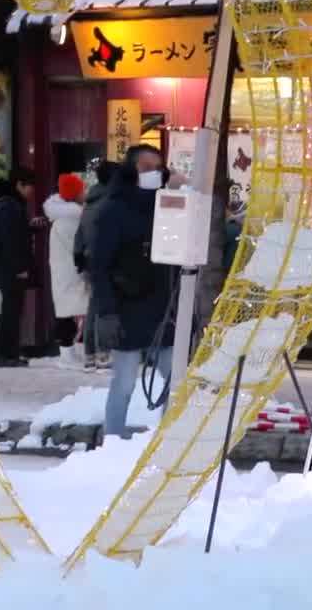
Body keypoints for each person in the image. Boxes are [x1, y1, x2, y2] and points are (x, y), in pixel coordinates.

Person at [89, 145, 175, 438]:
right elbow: (98, 264)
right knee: (125, 380)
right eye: (145, 166)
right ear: (131, 170)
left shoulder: (169, 205)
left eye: (158, 166)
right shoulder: (113, 208)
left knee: (175, 378)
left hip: (163, 304)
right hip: (126, 304)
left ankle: (166, 440)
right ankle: (113, 440)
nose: (153, 172)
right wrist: (107, 311)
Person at [0, 169, 37, 367]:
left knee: (11, 311)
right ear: (19, 184)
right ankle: (4, 355)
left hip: (6, 268)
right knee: (10, 312)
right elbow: (9, 240)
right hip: (10, 269)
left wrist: (30, 226)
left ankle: (8, 353)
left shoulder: (10, 205)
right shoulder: (9, 206)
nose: (31, 192)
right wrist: (19, 268)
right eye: (29, 187)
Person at [75, 160, 119, 370]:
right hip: (106, 259)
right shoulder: (110, 201)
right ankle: (103, 353)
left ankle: (90, 354)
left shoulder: (91, 201)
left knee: (94, 306)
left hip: (90, 258)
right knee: (105, 307)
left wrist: (79, 257)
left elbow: (80, 233)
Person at [45, 173, 90, 369]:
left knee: (69, 311)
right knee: (71, 312)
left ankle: (69, 353)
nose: (84, 193)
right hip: (72, 272)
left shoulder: (62, 218)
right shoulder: (72, 219)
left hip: (65, 271)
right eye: (81, 190)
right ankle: (67, 355)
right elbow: (81, 246)